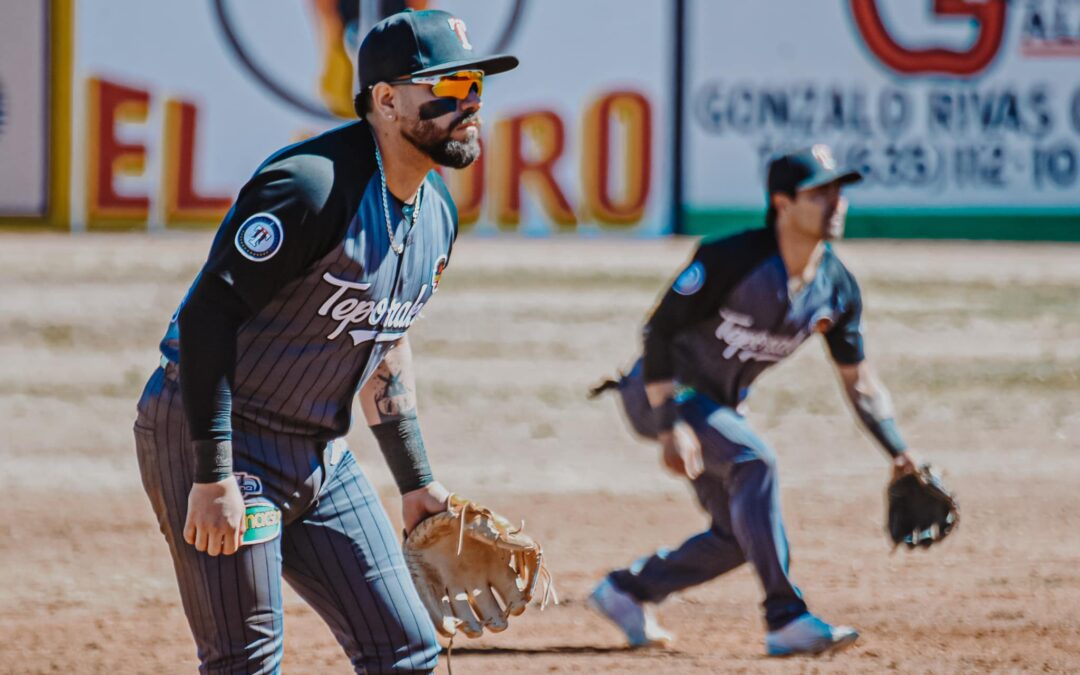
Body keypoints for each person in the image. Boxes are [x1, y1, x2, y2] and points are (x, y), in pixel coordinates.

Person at [133, 10, 517, 673]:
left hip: (316, 452)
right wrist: (212, 471)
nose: (470, 103)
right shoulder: (312, 186)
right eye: (448, 87)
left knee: (409, 651)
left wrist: (415, 480)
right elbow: (206, 319)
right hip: (223, 439)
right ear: (386, 99)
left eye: (476, 87)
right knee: (244, 660)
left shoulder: (436, 216)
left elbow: (384, 339)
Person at [588, 145, 922, 657]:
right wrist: (670, 420)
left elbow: (860, 383)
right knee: (755, 461)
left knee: (738, 534)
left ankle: (627, 591)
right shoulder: (731, 258)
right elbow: (658, 332)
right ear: (781, 202)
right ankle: (785, 617)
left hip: (719, 407)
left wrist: (899, 453)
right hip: (659, 391)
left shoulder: (836, 287)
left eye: (839, 191)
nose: (837, 203)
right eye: (820, 192)